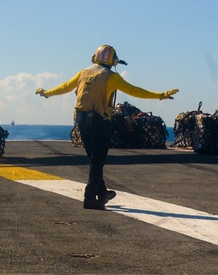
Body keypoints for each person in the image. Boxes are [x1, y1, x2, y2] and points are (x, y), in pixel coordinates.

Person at [35, 45, 178, 210]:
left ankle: (102, 193)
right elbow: (134, 91)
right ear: (113, 60)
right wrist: (159, 95)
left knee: (94, 158)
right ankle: (89, 198)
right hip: (99, 121)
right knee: (98, 159)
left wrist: (47, 93)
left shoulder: (83, 73)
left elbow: (66, 86)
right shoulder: (111, 76)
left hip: (81, 119)